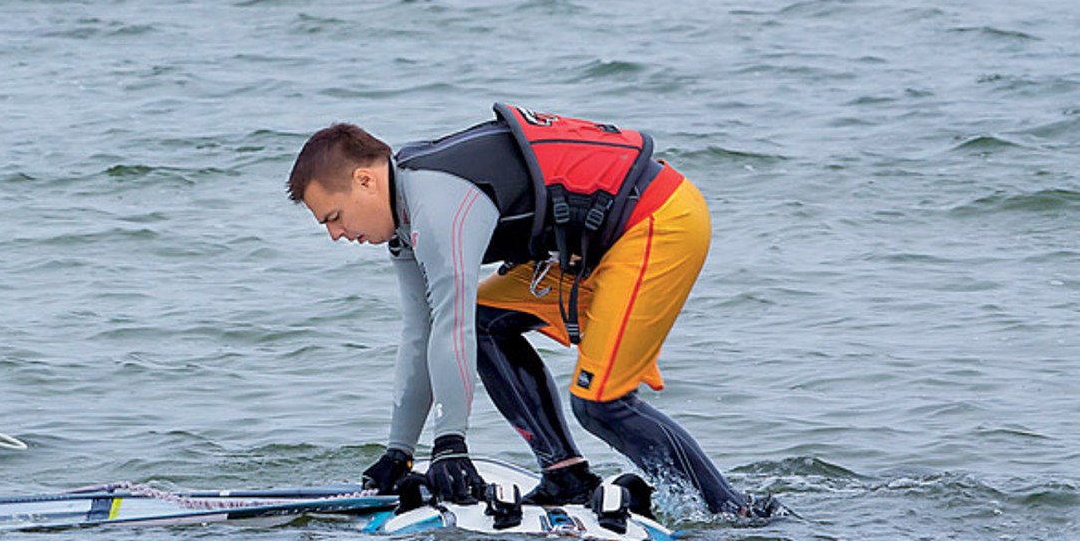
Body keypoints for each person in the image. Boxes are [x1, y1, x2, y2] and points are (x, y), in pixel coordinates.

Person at [287, 106, 770, 516]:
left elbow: (449, 323)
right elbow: (423, 333)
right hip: (593, 248)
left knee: (601, 403)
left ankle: (734, 513)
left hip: (656, 220)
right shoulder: (405, 219)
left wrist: (450, 444)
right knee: (483, 320)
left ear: (365, 180)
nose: (335, 234)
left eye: (334, 217)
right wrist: (399, 453)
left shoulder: (434, 201)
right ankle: (567, 476)